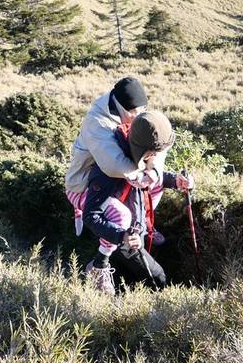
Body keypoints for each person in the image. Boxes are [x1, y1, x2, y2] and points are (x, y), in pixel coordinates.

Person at [81, 110, 193, 295]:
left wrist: (175, 181)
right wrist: (122, 236)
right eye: (154, 154)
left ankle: (104, 277)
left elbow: (149, 179)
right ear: (145, 153)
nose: (156, 159)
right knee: (157, 279)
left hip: (136, 229)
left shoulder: (132, 155)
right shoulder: (109, 167)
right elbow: (90, 215)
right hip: (124, 239)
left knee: (131, 278)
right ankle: (99, 272)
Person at [65, 77, 167, 242]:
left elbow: (161, 138)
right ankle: (102, 259)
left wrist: (153, 169)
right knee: (121, 217)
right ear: (122, 108)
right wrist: (141, 176)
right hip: (84, 185)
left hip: (116, 182)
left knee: (155, 184)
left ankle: (145, 225)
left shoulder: (134, 111)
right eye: (134, 112)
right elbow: (114, 164)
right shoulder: (97, 122)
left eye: (143, 110)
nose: (139, 116)